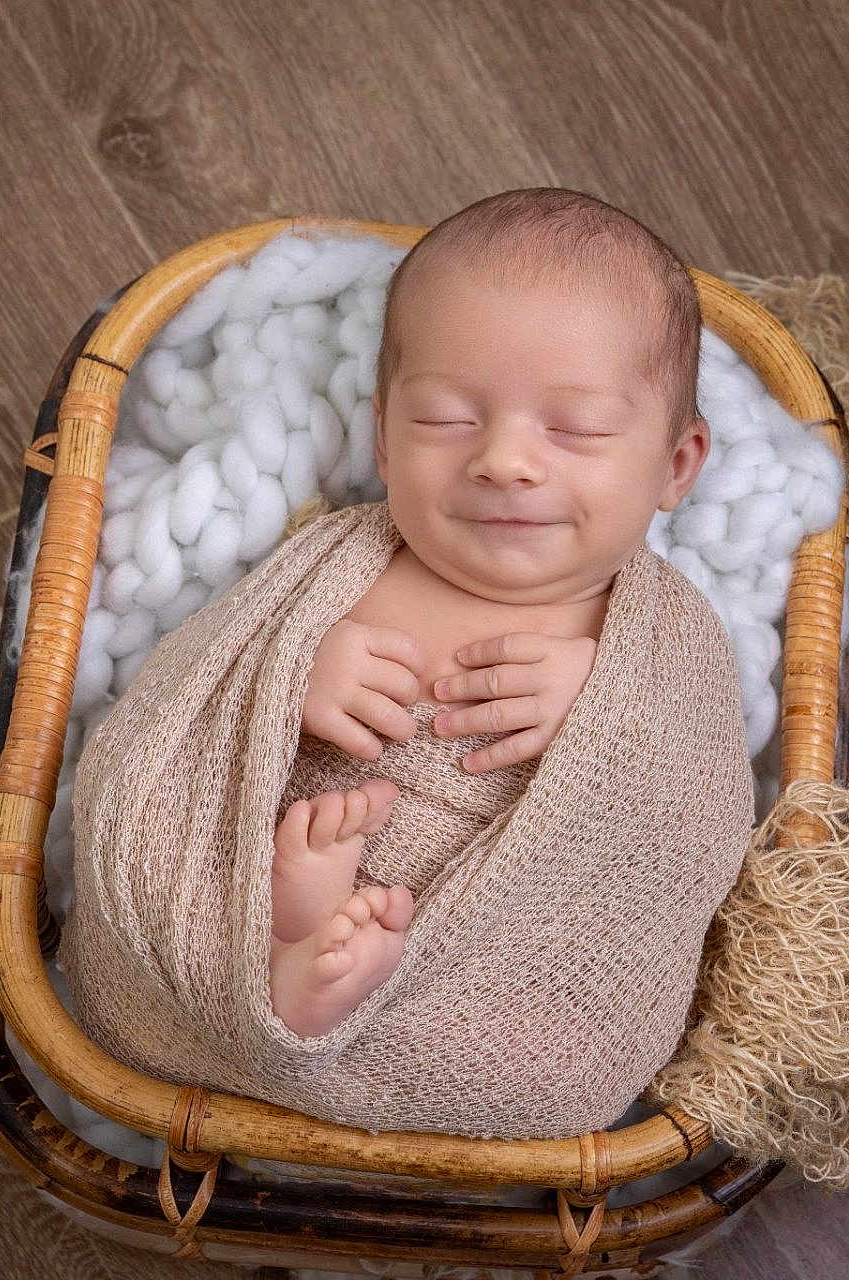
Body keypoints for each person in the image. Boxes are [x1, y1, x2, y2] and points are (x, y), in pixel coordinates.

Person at [265, 188, 713, 1037]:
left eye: (576, 429)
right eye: (447, 418)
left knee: (535, 1033)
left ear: (676, 464)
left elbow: (692, 812)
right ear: (385, 442)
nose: (504, 461)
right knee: (278, 848)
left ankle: (330, 985)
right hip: (283, 868)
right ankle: (286, 953)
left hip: (507, 969)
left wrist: (606, 707)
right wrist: (292, 674)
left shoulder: (660, 639)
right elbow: (197, 701)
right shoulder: (335, 564)